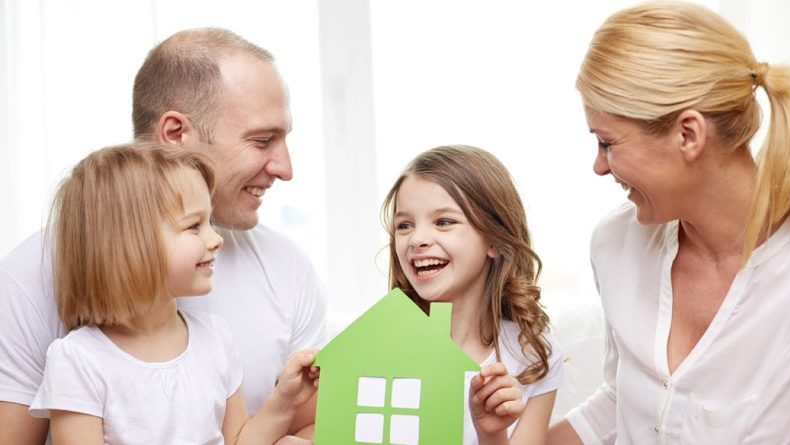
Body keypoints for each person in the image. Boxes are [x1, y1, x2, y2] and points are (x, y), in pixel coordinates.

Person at [0, 28, 326, 444]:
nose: (285, 168)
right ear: (175, 135)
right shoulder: (29, 288)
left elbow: (300, 428)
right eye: (262, 140)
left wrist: (287, 422)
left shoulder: (278, 277)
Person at [547, 2, 790, 444]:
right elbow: (623, 399)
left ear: (688, 134)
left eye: (607, 142)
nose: (599, 167)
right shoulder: (615, 245)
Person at [28, 144, 318, 444]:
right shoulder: (79, 360)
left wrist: (284, 401)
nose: (216, 239)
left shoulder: (215, 339)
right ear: (130, 246)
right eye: (194, 226)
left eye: (210, 223)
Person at [381, 145, 564, 445]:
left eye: (443, 222)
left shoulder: (532, 356)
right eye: (404, 225)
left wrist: (491, 434)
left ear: (493, 241)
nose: (417, 239)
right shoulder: (379, 343)